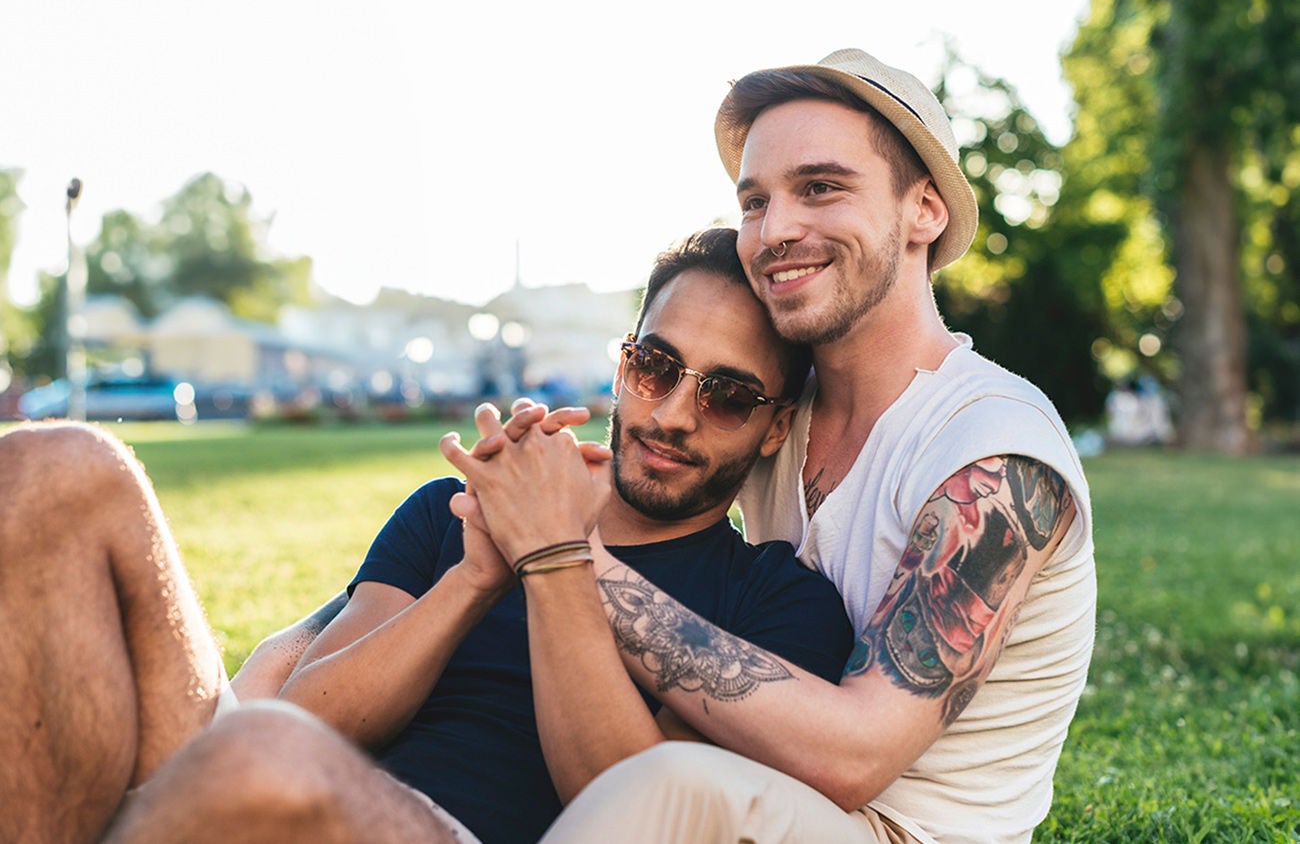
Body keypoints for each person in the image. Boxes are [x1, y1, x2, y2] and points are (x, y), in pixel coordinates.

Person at [0, 227, 853, 844]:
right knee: (60, 467)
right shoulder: (448, 514)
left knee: (258, 762)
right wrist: (479, 570)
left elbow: (635, 807)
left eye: (728, 395)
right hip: (291, 787)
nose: (671, 414)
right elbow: (311, 717)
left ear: (774, 428)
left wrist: (553, 554)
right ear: (623, 364)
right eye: (656, 368)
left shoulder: (777, 602)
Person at [448, 49, 1096, 843]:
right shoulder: (765, 410)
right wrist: (533, 491)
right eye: (755, 201)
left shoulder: (994, 450)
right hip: (766, 794)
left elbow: (858, 756)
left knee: (662, 786)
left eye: (821, 188)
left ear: (925, 210)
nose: (775, 231)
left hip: (889, 830)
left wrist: (558, 551)